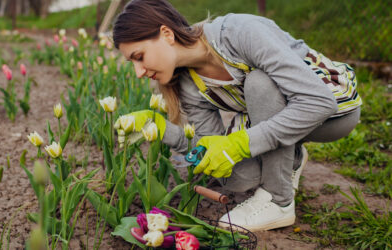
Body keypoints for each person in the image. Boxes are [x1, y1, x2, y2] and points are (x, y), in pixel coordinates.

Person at [112, 0, 362, 232]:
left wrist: (239, 144)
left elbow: (319, 102)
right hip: (282, 117)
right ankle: (292, 156)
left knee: (259, 83)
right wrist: (159, 127)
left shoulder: (239, 33)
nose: (138, 72)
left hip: (333, 112)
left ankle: (279, 201)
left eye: (139, 57)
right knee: (240, 177)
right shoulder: (188, 83)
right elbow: (209, 149)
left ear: (166, 34)